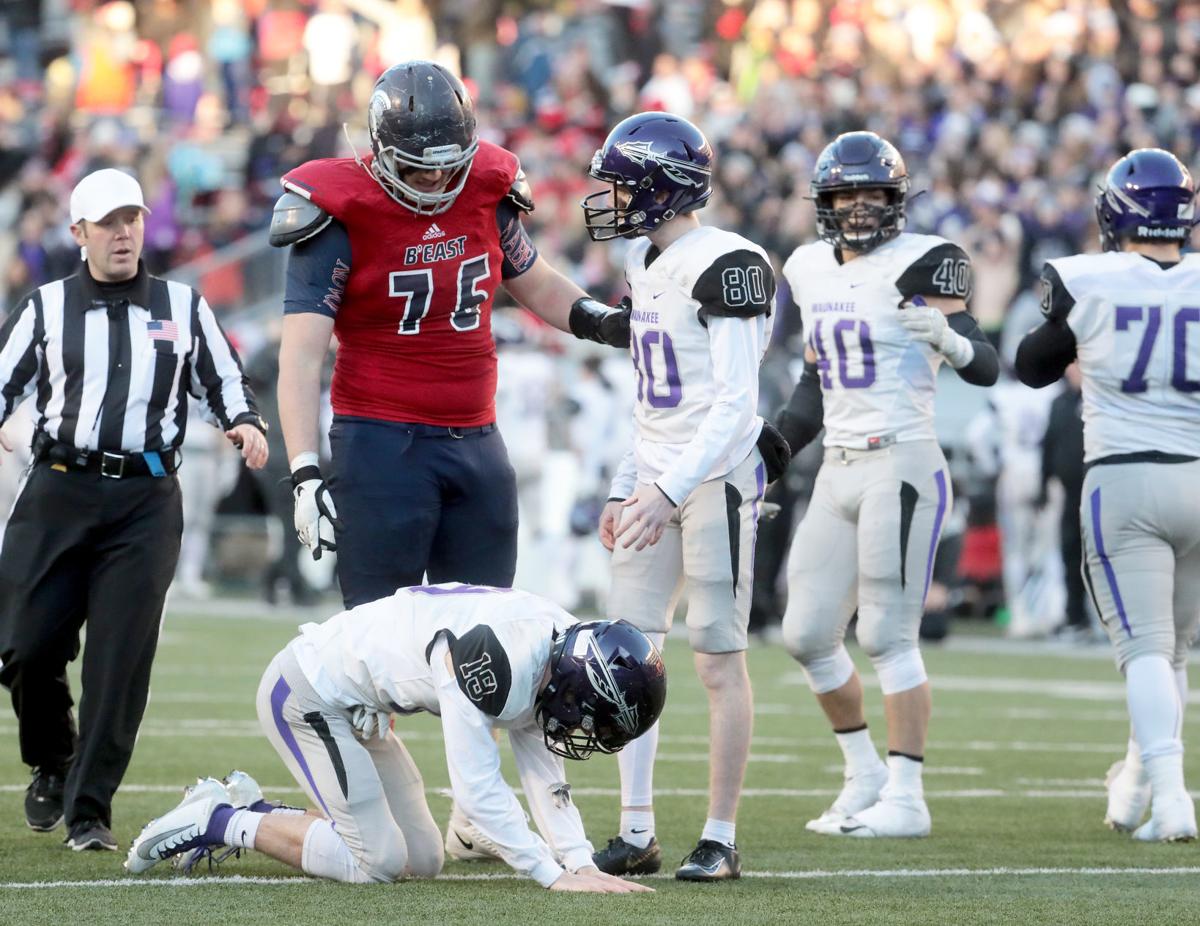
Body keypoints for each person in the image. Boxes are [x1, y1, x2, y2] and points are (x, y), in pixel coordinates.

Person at [268, 60, 630, 611]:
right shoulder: (339, 209)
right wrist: (303, 469)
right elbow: (300, 356)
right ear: (382, 150)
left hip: (478, 440)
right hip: (381, 443)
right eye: (417, 169)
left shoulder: (484, 186)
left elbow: (533, 279)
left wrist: (602, 321)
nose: (436, 180)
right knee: (379, 639)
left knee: (486, 632)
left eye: (448, 166)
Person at [0, 168, 268, 852]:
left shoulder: (183, 306)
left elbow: (224, 380)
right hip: (57, 489)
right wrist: (20, 440)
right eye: (108, 222)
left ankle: (89, 811)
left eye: (133, 219)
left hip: (145, 500)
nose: (123, 233)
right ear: (78, 233)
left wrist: (246, 423)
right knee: (25, 646)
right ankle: (52, 759)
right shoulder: (44, 309)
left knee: (118, 661)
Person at [124, 583, 666, 892]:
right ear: (579, 681)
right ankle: (217, 819)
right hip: (308, 693)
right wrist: (551, 873)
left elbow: (542, 768)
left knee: (423, 859)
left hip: (360, 705)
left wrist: (580, 863)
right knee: (378, 863)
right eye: (594, 718)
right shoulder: (497, 656)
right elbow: (478, 791)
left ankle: (257, 808)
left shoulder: (556, 646)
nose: (586, 731)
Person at [579, 111, 789, 882]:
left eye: (618, 180)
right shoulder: (644, 260)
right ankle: (636, 831)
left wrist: (665, 489)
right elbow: (651, 399)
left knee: (716, 658)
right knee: (630, 653)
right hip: (659, 474)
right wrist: (626, 483)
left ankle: (721, 836)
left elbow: (734, 405)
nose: (604, 194)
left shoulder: (729, 261)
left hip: (717, 475)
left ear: (658, 187)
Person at [776, 131, 999, 839]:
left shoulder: (927, 260)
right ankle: (865, 772)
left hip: (901, 458)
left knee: (887, 634)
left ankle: (907, 795)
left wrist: (951, 339)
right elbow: (812, 386)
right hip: (838, 465)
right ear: (825, 201)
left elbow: (987, 364)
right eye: (846, 193)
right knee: (806, 632)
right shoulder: (808, 267)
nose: (860, 207)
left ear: (896, 200)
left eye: (873, 193)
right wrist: (767, 455)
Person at [1014, 148, 1200, 842]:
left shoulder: (1087, 277)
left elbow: (1032, 367)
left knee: (1147, 649)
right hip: (1198, 474)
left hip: (1125, 479)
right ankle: (1133, 791)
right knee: (1173, 650)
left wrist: (1081, 337)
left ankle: (1174, 801)